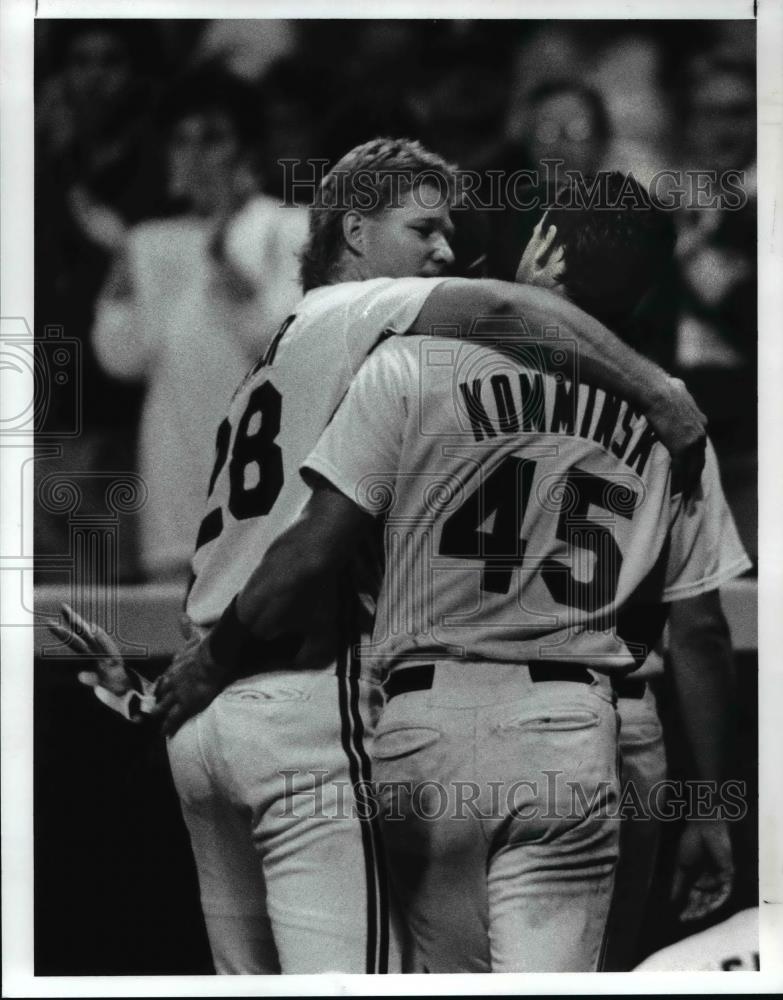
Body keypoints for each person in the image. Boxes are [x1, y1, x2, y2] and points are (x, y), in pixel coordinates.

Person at [55, 142, 709, 974]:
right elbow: (497, 317)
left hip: (204, 724)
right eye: (424, 227)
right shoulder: (358, 312)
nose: (442, 248)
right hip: (301, 707)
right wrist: (656, 389)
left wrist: (167, 692)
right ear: (354, 231)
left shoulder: (273, 356)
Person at [515, 179, 745, 970]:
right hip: (615, 724)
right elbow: (700, 631)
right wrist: (711, 810)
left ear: (541, 255)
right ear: (650, 285)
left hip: (455, 717)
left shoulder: (446, 376)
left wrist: (513, 306)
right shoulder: (672, 418)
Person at [91, 69, 307, 580]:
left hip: (264, 457)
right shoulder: (150, 241)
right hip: (174, 456)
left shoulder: (288, 225)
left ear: (246, 149)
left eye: (212, 138)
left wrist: (224, 252)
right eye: (182, 141)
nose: (195, 154)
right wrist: (123, 259)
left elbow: (281, 338)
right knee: (175, 625)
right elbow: (122, 358)